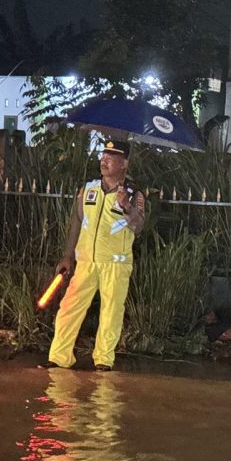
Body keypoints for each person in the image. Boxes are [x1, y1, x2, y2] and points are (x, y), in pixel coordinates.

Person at [42, 139, 146, 371]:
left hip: (115, 264)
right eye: (103, 156)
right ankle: (60, 356)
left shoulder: (134, 194)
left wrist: (127, 206)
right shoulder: (88, 189)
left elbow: (139, 227)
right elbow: (76, 222)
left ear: (124, 163)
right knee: (69, 308)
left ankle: (103, 360)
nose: (104, 161)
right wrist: (67, 256)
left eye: (111, 157)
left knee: (111, 313)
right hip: (86, 261)